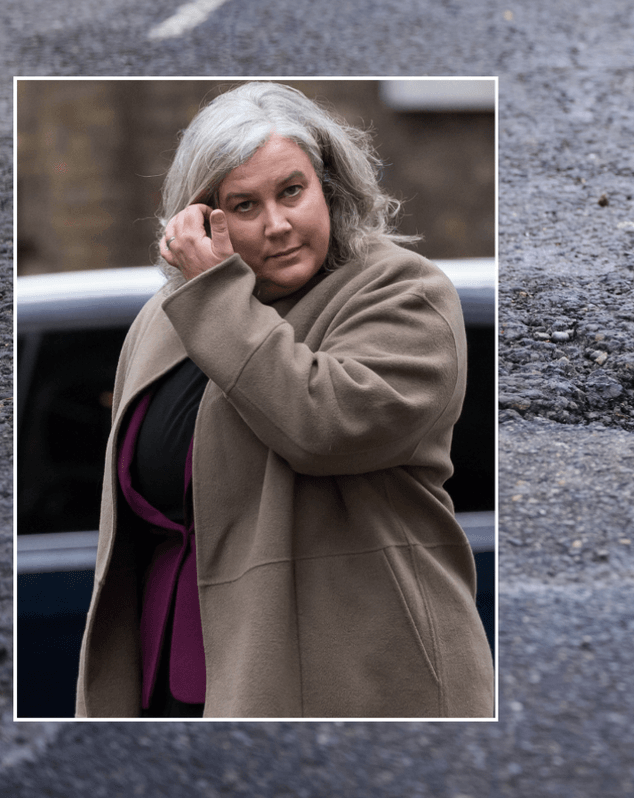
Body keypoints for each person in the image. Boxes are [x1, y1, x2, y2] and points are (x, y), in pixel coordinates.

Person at [75, 81, 495, 718]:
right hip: (176, 663)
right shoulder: (167, 318)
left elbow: (323, 424)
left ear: (329, 187)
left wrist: (214, 294)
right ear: (200, 219)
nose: (277, 224)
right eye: (244, 204)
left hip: (358, 677)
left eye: (292, 191)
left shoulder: (404, 292)